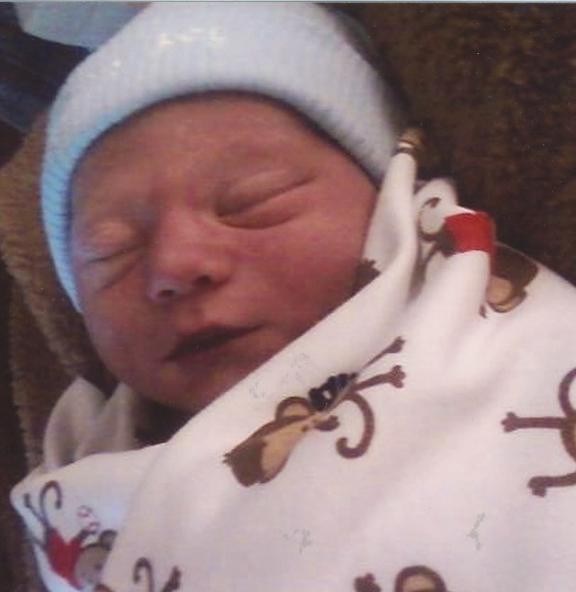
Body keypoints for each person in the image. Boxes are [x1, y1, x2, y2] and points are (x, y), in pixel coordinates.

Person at [10, 3, 576, 591]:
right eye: (111, 250)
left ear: (386, 193)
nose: (174, 265)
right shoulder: (82, 475)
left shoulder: (494, 337)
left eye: (254, 200)